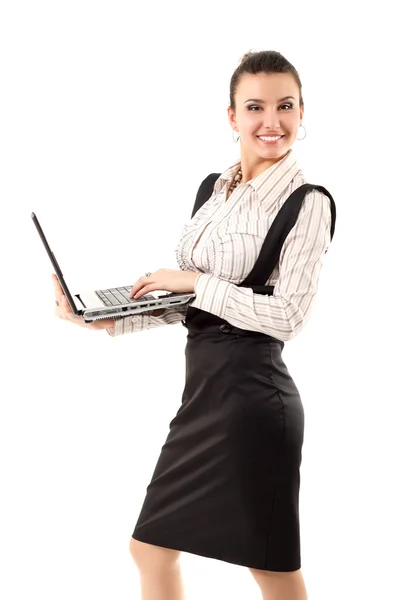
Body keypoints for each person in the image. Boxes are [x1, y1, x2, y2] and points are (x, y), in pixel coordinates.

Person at [53, 50, 336, 600]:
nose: (271, 122)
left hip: (255, 402)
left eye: (285, 106)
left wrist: (191, 282)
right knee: (150, 547)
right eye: (254, 107)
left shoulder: (308, 204)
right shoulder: (213, 191)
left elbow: (289, 316)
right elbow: (195, 305)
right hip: (204, 396)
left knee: (270, 566)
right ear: (232, 116)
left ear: (303, 113)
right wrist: (108, 320)